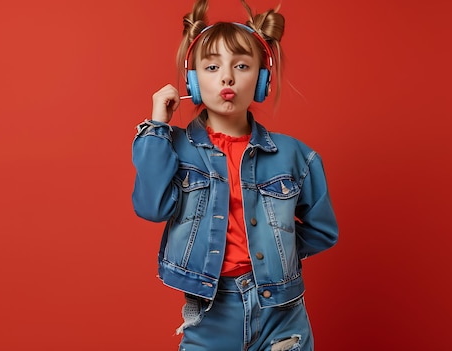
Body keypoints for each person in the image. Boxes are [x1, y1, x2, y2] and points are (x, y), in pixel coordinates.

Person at [131, 0, 338, 350]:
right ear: (193, 80)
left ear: (262, 79)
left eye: (242, 65)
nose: (227, 77)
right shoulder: (174, 147)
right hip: (212, 309)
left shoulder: (296, 155)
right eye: (212, 67)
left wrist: (276, 250)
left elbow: (322, 231)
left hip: (281, 310)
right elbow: (151, 207)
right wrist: (156, 126)